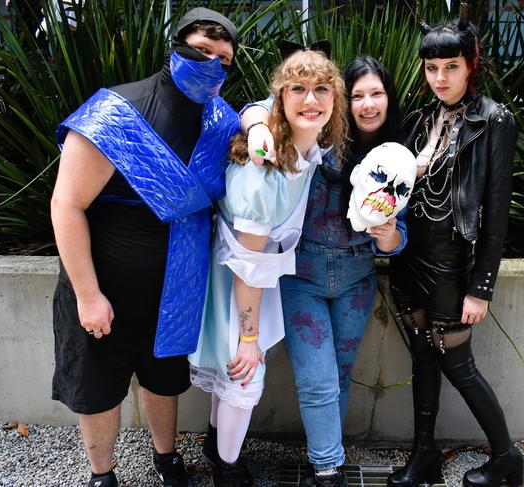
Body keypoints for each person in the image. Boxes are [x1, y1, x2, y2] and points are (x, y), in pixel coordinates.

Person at [49, 8, 239, 487]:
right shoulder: (116, 112)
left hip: (176, 289)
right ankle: (102, 474)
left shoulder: (221, 123)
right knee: (98, 388)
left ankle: (167, 458)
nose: (211, 64)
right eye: (200, 51)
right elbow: (66, 205)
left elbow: (261, 131)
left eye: (223, 60)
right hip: (102, 286)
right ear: (174, 47)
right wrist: (89, 296)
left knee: (164, 379)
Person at [241, 54, 409, 487]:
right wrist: (258, 125)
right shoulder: (320, 134)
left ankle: (325, 458)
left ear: (389, 100)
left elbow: (398, 238)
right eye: (358, 95)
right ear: (342, 98)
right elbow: (261, 108)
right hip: (303, 273)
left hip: (357, 276)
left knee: (337, 375)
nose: (368, 104)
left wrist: (388, 233)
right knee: (316, 378)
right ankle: (328, 467)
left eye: (377, 94)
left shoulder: (394, 156)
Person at [188, 48, 348, 487]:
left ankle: (218, 446)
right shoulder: (265, 171)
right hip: (235, 278)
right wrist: (249, 336)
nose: (310, 99)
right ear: (282, 99)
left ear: (335, 98)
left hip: (252, 271)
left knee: (235, 371)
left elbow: (255, 108)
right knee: (243, 371)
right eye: (297, 89)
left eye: (321, 89)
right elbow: (247, 266)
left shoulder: (307, 143)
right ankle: (227, 470)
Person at [387, 15, 523, 487]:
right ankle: (424, 455)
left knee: (457, 363)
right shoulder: (421, 119)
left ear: (471, 65)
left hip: (450, 264)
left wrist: (480, 288)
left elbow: (496, 215)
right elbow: (390, 185)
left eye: (450, 66)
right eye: (431, 68)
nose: (440, 78)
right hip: (410, 259)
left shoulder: (495, 120)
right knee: (422, 357)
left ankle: (507, 458)